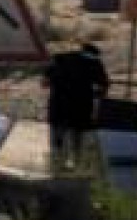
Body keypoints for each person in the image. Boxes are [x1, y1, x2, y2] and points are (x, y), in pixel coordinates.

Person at [42, 42, 110, 171]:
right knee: (77, 137)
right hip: (81, 107)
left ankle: (57, 166)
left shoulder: (60, 59)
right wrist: (95, 94)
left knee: (58, 138)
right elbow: (104, 85)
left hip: (59, 107)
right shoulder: (94, 64)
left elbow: (44, 82)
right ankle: (78, 165)